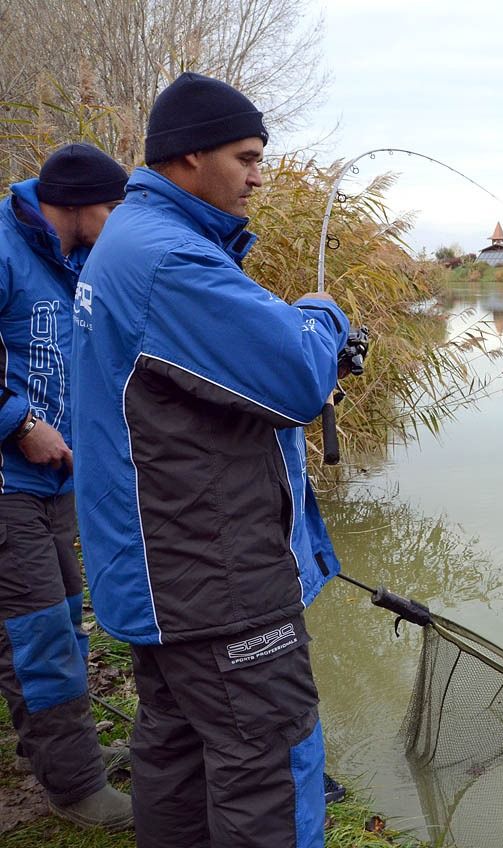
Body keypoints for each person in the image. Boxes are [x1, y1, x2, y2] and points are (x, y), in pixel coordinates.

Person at [71, 73, 350, 848]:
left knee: (177, 750)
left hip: (160, 574)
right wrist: (324, 313)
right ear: (190, 157)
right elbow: (297, 375)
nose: (260, 175)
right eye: (248, 156)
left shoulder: (131, 239)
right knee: (267, 761)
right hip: (216, 581)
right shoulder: (170, 261)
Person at [0, 143, 133, 829]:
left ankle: (63, 756)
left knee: (66, 624)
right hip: (6, 483)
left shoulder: (75, 261)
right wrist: (19, 422)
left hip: (54, 487)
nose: (120, 222)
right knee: (38, 634)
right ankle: (76, 791)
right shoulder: (3, 247)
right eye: (114, 208)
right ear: (79, 204)